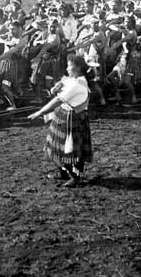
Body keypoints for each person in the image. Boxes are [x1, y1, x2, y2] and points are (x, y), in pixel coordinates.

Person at [28, 55, 93, 188]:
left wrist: (40, 112)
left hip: (72, 119)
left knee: (71, 151)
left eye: (69, 65)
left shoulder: (77, 84)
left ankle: (76, 177)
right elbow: (61, 85)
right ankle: (63, 172)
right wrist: (58, 85)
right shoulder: (73, 80)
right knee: (56, 146)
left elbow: (57, 100)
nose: (67, 68)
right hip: (63, 117)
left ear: (78, 68)